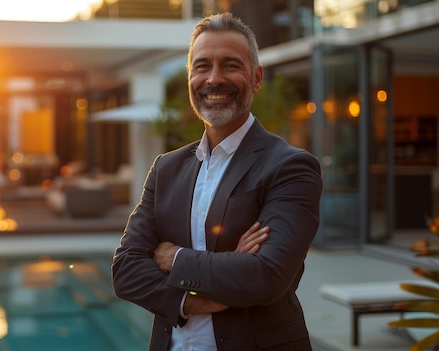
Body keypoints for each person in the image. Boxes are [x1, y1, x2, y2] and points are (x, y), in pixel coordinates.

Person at [111, 12, 322, 351]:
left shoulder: (291, 167)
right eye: (202, 65)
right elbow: (125, 271)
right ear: (189, 77)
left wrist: (172, 257)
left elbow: (264, 277)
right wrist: (194, 301)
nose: (214, 79)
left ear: (256, 78)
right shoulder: (166, 168)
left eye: (230, 65)